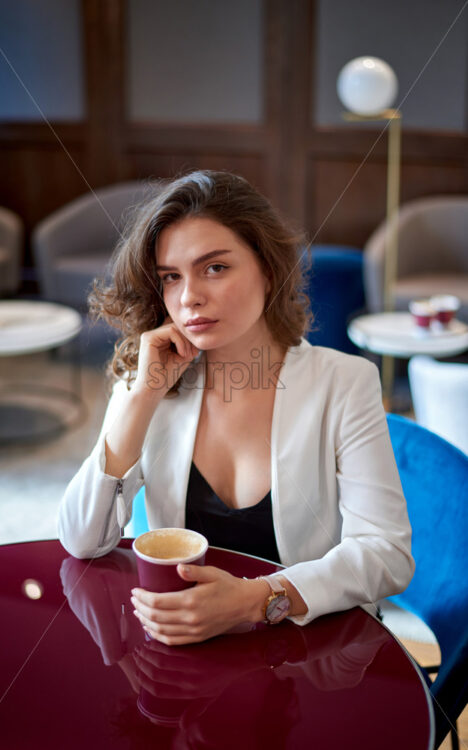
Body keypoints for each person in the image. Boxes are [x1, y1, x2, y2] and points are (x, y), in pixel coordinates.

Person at [58, 169, 414, 646]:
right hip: (187, 654)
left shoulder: (343, 382)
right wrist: (141, 398)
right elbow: (84, 540)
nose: (189, 298)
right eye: (170, 277)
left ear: (268, 269)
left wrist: (256, 599)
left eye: (215, 268)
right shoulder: (149, 381)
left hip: (309, 656)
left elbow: (386, 554)